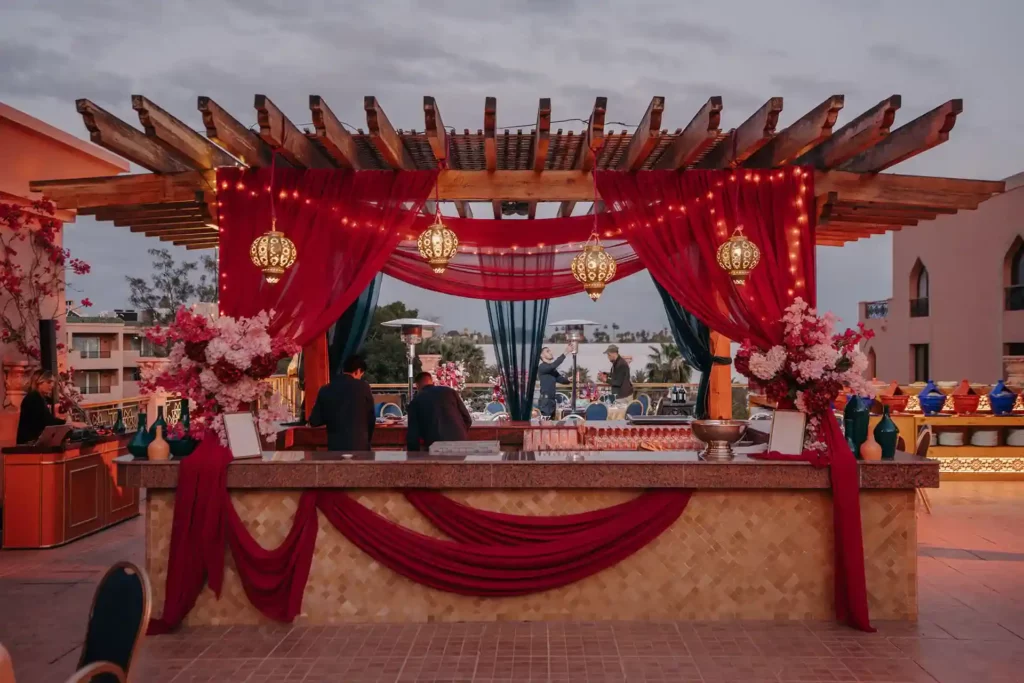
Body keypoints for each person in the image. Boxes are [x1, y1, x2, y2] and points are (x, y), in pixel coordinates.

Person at [308, 355, 375, 452]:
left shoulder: (325, 389)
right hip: (360, 447)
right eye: (361, 375)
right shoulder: (364, 387)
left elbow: (314, 421)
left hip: (335, 448)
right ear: (358, 371)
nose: (360, 378)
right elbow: (371, 418)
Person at [406, 371, 473, 451]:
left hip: (436, 446)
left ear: (417, 386)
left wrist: (412, 455)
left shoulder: (415, 402)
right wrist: (458, 434)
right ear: (432, 381)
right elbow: (468, 419)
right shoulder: (450, 391)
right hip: (461, 443)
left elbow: (413, 434)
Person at [17, 370, 66, 444]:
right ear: (39, 382)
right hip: (28, 443)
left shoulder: (39, 397)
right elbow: (47, 421)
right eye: (49, 382)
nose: (52, 385)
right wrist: (68, 424)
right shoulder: (33, 398)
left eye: (52, 383)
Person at [537, 345, 571, 418]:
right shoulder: (542, 367)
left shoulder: (551, 369)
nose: (550, 352)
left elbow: (559, 378)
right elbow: (553, 365)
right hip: (545, 400)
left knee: (551, 423)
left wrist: (568, 380)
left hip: (552, 400)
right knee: (545, 424)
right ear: (542, 355)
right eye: (547, 351)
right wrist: (565, 352)